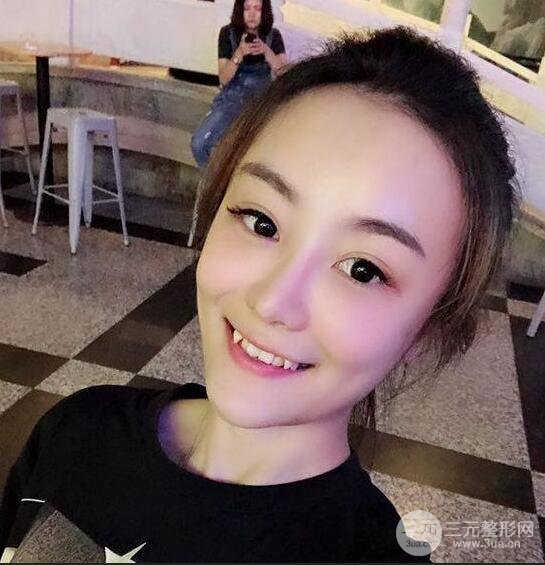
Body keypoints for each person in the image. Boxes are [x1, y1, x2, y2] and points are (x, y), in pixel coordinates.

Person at [0, 26, 520, 563]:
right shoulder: (77, 433)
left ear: (428, 330)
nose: (273, 302)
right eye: (262, 221)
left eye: (363, 269)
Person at [190, 0, 288, 168]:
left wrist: (266, 51)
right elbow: (224, 79)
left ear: (264, 11)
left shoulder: (273, 35)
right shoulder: (227, 33)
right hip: (233, 95)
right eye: (246, 8)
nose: (251, 14)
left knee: (256, 151)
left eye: (257, 8)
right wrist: (239, 53)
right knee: (199, 144)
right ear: (239, 11)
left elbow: (283, 73)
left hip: (261, 97)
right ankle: (215, 180)